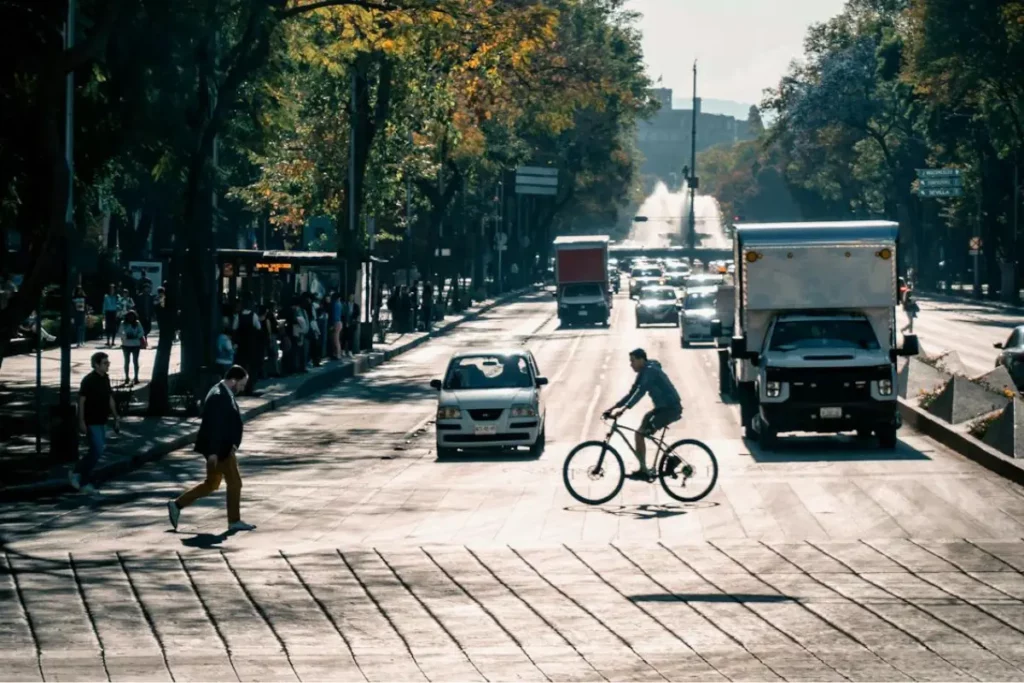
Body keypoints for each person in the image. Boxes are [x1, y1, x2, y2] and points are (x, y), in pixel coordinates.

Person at [167, 365, 256, 532]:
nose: (242, 388)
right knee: (235, 483)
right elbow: (213, 427)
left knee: (212, 484)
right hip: (221, 450)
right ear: (233, 381)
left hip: (222, 448)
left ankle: (177, 504)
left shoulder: (222, 392)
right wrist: (213, 452)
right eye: (242, 384)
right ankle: (234, 520)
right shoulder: (218, 396)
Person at [604, 348, 682, 481]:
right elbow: (632, 393)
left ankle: (667, 462)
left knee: (641, 434)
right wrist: (613, 408)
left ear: (641, 360)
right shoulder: (643, 372)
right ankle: (644, 469)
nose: (631, 364)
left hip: (670, 409)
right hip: (661, 408)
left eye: (633, 361)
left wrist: (624, 410)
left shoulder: (650, 371)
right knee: (640, 431)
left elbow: (640, 392)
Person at [72, 352, 120, 494]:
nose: (108, 365)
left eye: (108, 363)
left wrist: (116, 417)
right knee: (97, 450)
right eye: (105, 363)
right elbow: (81, 401)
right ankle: (83, 480)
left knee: (96, 451)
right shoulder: (88, 380)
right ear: (96, 364)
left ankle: (77, 472)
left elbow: (110, 398)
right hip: (90, 420)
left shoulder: (105, 378)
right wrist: (81, 421)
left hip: (101, 420)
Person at [119, 310, 145, 384]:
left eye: (132, 317)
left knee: (135, 362)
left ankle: (136, 377)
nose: (131, 318)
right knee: (127, 362)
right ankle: (127, 377)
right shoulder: (123, 323)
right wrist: (126, 336)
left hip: (135, 344)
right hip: (126, 345)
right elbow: (121, 332)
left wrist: (136, 336)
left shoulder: (137, 323)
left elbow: (142, 332)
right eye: (129, 317)